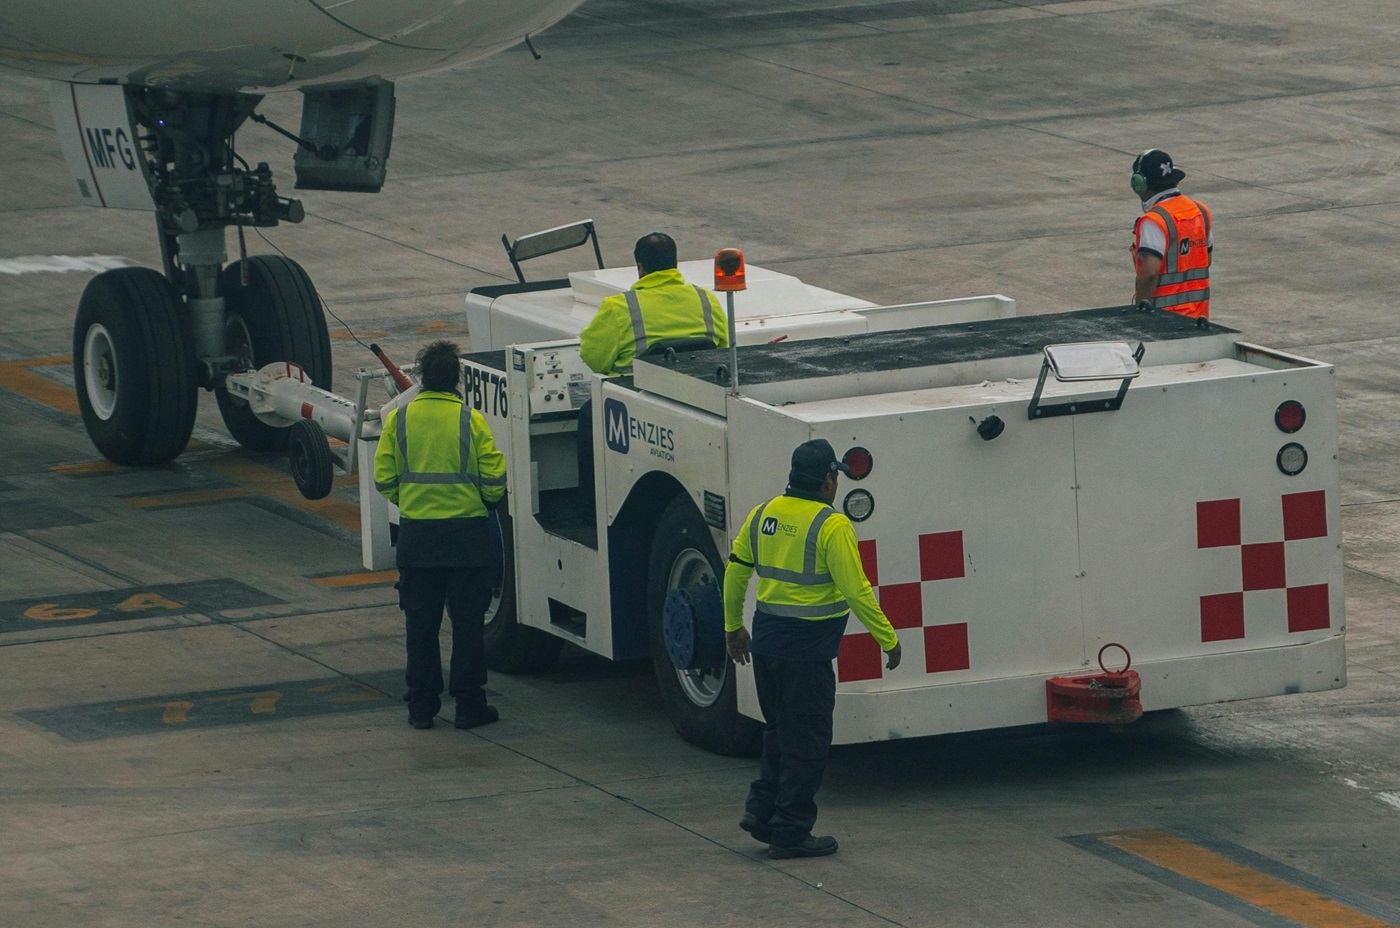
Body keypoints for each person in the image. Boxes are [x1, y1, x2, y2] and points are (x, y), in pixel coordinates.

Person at [723, 439, 903, 859]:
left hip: (766, 644)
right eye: (836, 475)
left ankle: (761, 810)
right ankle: (789, 831)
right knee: (808, 743)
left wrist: (733, 627)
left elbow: (735, 573)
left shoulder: (762, 514)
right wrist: (887, 638)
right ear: (827, 479)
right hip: (807, 654)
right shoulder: (831, 525)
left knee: (780, 732)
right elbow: (855, 589)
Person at [374, 340, 507, 731]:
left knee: (421, 626)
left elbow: (384, 479)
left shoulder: (399, 420)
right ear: (456, 380)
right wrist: (480, 501)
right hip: (466, 538)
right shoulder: (471, 421)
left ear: (421, 378)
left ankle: (421, 707)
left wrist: (411, 501)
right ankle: (468, 706)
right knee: (467, 627)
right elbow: (495, 482)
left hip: (418, 540)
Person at [575, 232, 729, 516]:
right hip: (698, 401)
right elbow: (723, 347)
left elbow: (592, 357)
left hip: (639, 407)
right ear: (675, 264)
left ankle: (590, 511)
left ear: (640, 268)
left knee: (588, 416)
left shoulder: (620, 307)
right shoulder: (705, 300)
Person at [1130, 148, 1213, 319]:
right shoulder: (1200, 210)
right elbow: (1206, 260)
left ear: (1140, 183)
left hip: (1164, 321)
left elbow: (1150, 273)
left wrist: (1138, 313)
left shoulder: (1154, 220)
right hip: (1199, 319)